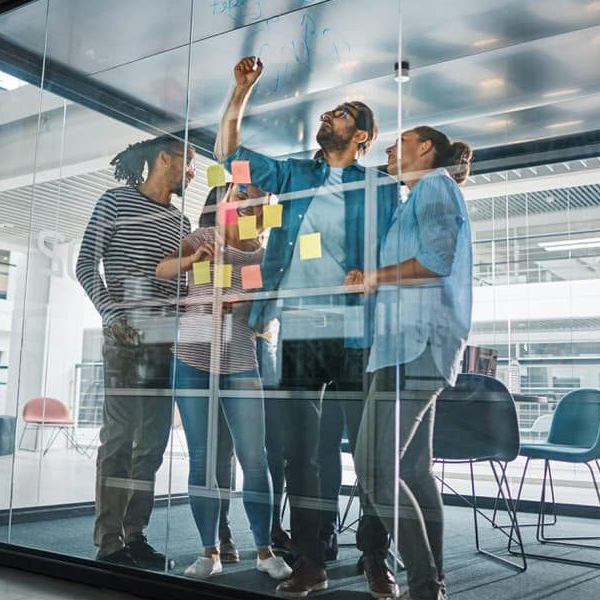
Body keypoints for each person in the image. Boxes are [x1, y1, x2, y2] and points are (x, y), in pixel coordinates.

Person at [215, 56, 399, 598]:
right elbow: (228, 157)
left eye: (342, 115)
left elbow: (392, 254)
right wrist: (240, 91)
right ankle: (312, 559)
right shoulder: (295, 172)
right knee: (304, 455)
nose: (330, 115)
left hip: (357, 334)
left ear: (360, 136)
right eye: (331, 110)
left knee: (367, 455)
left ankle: (375, 556)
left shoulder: (380, 188)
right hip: (296, 331)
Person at [352, 126, 473, 600]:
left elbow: (436, 261)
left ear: (425, 149)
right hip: (410, 346)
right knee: (415, 472)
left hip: (414, 347)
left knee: (375, 470)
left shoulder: (436, 185)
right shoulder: (419, 195)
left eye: (398, 142)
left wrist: (374, 277)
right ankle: (434, 583)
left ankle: (425, 589)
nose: (388, 149)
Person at [157, 184, 292, 581]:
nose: (240, 200)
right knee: (202, 458)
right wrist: (191, 261)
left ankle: (264, 551)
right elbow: (162, 269)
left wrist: (247, 307)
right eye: (235, 193)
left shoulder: (261, 255)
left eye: (250, 196)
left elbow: (264, 313)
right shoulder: (203, 237)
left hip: (238, 359)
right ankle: (208, 551)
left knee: (255, 458)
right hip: (192, 358)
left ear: (259, 208)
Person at [76, 135, 195, 569]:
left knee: (152, 443)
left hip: (167, 340)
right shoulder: (114, 202)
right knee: (120, 440)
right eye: (191, 161)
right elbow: (86, 262)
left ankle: (136, 533)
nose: (193, 172)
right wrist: (112, 315)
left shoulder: (181, 223)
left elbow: (181, 286)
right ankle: (109, 542)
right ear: (165, 158)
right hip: (126, 337)